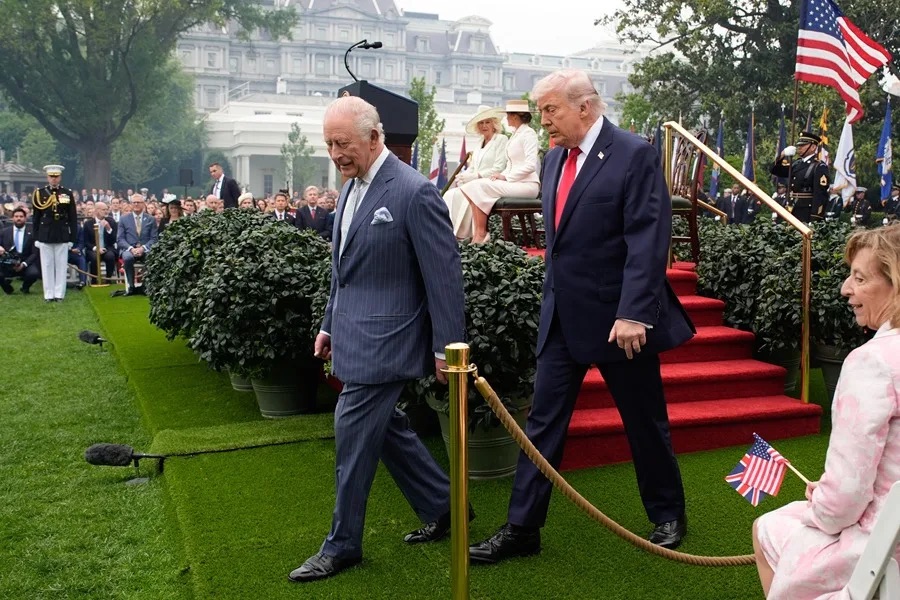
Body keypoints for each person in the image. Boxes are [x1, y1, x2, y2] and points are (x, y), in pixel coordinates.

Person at [469, 69, 695, 565]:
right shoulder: (552, 161)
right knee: (542, 424)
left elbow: (647, 238)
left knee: (643, 420)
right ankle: (522, 528)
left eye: (550, 110)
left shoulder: (634, 154)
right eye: (541, 110)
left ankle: (667, 513)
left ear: (585, 107)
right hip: (561, 319)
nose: (542, 119)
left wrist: (635, 311)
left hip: (621, 323)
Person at [288, 96, 466, 584]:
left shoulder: (414, 191)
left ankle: (341, 546)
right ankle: (446, 507)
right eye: (328, 144)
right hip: (350, 335)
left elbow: (444, 277)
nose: (335, 154)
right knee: (387, 431)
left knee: (351, 440)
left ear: (374, 137)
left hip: (387, 344)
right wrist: (328, 324)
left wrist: (446, 348)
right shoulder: (349, 188)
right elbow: (342, 272)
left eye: (342, 143)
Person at [753, 225, 900, 599]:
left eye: (859, 277)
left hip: (884, 550)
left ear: (896, 284)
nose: (845, 289)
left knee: (767, 526)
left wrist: (820, 505)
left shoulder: (872, 363)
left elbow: (845, 501)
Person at [457, 99, 540, 244]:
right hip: (514, 183)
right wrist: (502, 176)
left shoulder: (529, 134)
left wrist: (506, 177)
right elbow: (511, 164)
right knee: (472, 186)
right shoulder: (516, 134)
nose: (506, 118)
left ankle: (481, 233)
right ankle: (478, 233)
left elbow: (531, 165)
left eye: (508, 115)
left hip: (527, 186)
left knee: (477, 186)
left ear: (515, 116)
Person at [442, 105, 509, 240]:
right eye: (481, 123)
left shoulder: (501, 139)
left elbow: (499, 167)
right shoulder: (479, 143)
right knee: (449, 195)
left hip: (490, 183)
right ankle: (449, 233)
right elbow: (472, 167)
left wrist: (476, 176)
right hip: (474, 183)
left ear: (494, 123)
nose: (484, 126)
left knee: (463, 195)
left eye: (487, 122)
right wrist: (464, 176)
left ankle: (465, 235)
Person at [32, 164, 78, 302]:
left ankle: (59, 294)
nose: (53, 179)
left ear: (60, 177)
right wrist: (36, 237)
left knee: (61, 265)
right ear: (47, 177)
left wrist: (72, 238)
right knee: (47, 265)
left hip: (62, 233)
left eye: (56, 176)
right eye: (51, 176)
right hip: (45, 233)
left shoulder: (67, 193)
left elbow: (72, 217)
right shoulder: (40, 193)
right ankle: (48, 294)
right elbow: (36, 217)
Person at [770, 131, 829, 223]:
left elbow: (820, 195)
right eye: (799, 145)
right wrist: (782, 154)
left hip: (806, 212)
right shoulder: (796, 164)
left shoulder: (819, 166)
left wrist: (815, 218)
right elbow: (775, 170)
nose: (799, 148)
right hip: (792, 208)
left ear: (813, 147)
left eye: (803, 145)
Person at [117, 193, 158, 295]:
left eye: (138, 202)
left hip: (145, 249)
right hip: (129, 249)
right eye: (134, 202)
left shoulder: (151, 219)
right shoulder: (124, 219)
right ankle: (131, 286)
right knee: (127, 258)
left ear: (143, 204)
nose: (136, 204)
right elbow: (120, 239)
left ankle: (145, 287)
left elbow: (154, 239)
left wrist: (143, 248)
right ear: (131, 204)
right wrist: (131, 249)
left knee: (152, 258)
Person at [0, 206, 39, 294]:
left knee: (34, 273)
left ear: (25, 218)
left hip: (25, 262)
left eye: (21, 217)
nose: (18, 219)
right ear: (12, 218)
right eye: (16, 216)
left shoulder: (32, 233)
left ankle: (25, 287)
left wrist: (24, 264)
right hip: (7, 262)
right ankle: (8, 289)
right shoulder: (4, 232)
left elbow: (34, 253)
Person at [83, 201, 118, 284]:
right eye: (103, 209)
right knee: (94, 258)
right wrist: (96, 248)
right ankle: (94, 280)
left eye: (107, 209)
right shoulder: (88, 224)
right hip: (93, 249)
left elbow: (114, 240)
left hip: (107, 248)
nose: (106, 211)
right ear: (97, 210)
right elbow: (86, 241)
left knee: (110, 256)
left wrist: (109, 229)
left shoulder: (111, 221)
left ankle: (108, 279)